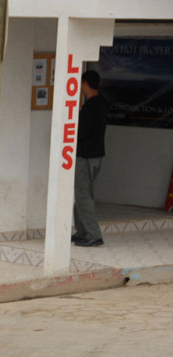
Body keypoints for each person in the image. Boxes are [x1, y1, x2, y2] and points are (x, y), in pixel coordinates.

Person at [73, 70, 110, 247]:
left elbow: (83, 132)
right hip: (97, 156)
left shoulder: (90, 106)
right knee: (84, 194)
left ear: (86, 84)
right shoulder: (103, 103)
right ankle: (82, 231)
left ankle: (93, 234)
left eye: (81, 84)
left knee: (82, 195)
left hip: (86, 156)